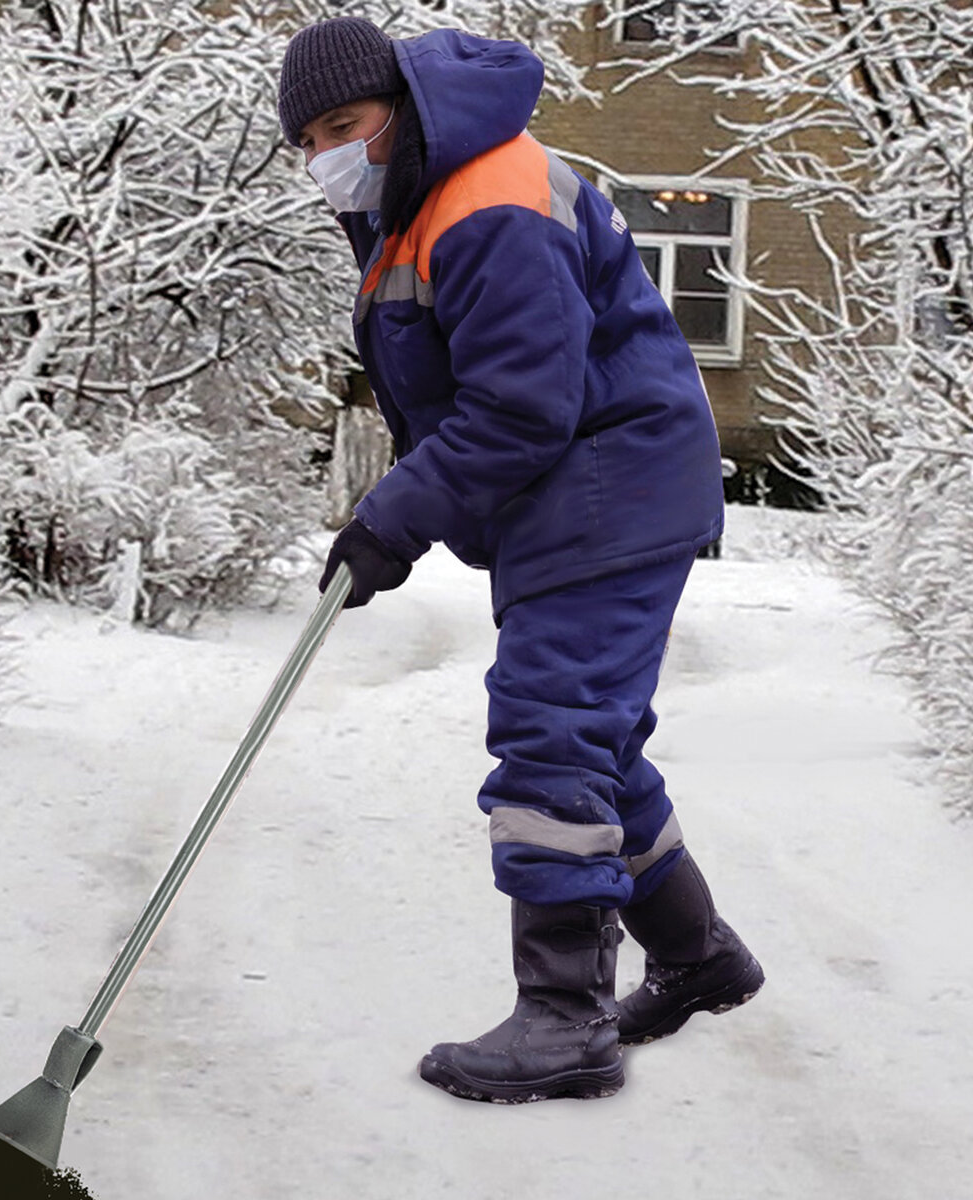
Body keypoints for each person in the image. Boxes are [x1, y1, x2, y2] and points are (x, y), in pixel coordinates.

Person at [277, 16, 763, 1104]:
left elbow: (521, 408)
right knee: (595, 738)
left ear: (398, 109)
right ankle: (697, 956)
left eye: (342, 126)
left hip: (611, 481)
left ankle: (562, 1021)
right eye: (305, 140)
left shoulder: (486, 196)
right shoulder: (419, 200)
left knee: (551, 727)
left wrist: (390, 521)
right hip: (581, 492)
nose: (325, 157)